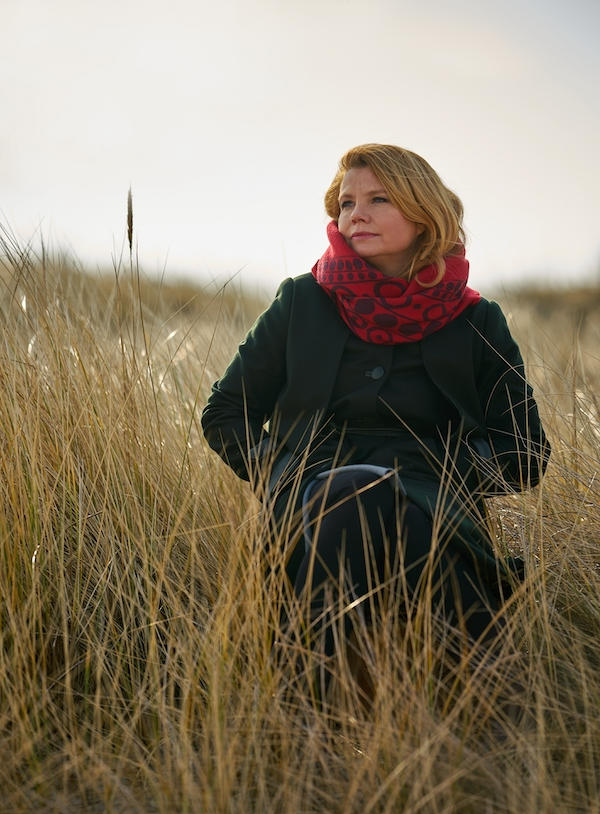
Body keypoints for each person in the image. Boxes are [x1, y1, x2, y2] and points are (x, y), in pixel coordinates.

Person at [201, 143, 550, 687]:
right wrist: (285, 473)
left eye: (378, 199)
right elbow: (225, 412)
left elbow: (525, 454)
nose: (355, 214)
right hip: (315, 494)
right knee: (352, 494)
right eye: (346, 203)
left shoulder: (478, 319)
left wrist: (446, 473)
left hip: (434, 499)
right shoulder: (300, 302)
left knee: (406, 517)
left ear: (423, 213)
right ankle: (320, 702)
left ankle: (457, 696)